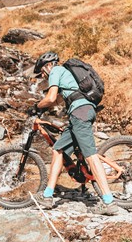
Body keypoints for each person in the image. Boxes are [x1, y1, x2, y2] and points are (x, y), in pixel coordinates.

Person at [29, 52, 119, 215]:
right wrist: (43, 107)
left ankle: (108, 202)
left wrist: (37, 106)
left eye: (42, 71)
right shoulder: (66, 75)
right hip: (81, 112)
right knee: (58, 150)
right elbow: (57, 101)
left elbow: (50, 98)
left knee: (90, 155)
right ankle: (48, 196)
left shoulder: (56, 71)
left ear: (48, 65)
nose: (43, 75)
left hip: (80, 113)